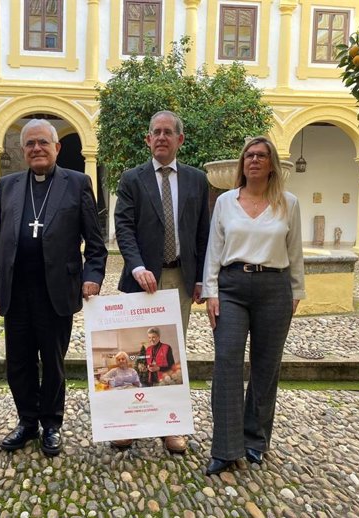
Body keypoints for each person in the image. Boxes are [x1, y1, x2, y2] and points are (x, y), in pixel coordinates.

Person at [0, 119, 107, 457]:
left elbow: (95, 244)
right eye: (30, 144)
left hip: (56, 290)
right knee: (18, 362)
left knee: (52, 362)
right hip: (16, 290)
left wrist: (92, 276)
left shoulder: (77, 183)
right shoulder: (6, 186)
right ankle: (26, 421)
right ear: (23, 150)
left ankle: (51, 423)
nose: (36, 149)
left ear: (57, 147)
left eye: (43, 143)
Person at [202, 136, 305, 475]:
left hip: (274, 289)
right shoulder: (225, 202)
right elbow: (214, 250)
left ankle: (255, 441)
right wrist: (212, 292)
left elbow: (295, 253)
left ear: (272, 163)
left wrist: (295, 292)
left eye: (261, 155)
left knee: (266, 368)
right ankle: (225, 448)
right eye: (249, 155)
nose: (255, 160)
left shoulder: (288, 203)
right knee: (227, 363)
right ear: (242, 163)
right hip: (231, 288)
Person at [113, 110, 210, 453]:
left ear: (179, 139)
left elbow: (203, 232)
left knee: (171, 357)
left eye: (168, 132)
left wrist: (200, 279)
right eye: (156, 132)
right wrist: (136, 265)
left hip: (179, 279)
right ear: (148, 139)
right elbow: (123, 227)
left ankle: (171, 426)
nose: (162, 138)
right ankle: (130, 423)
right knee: (142, 356)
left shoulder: (197, 180)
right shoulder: (132, 179)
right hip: (142, 280)